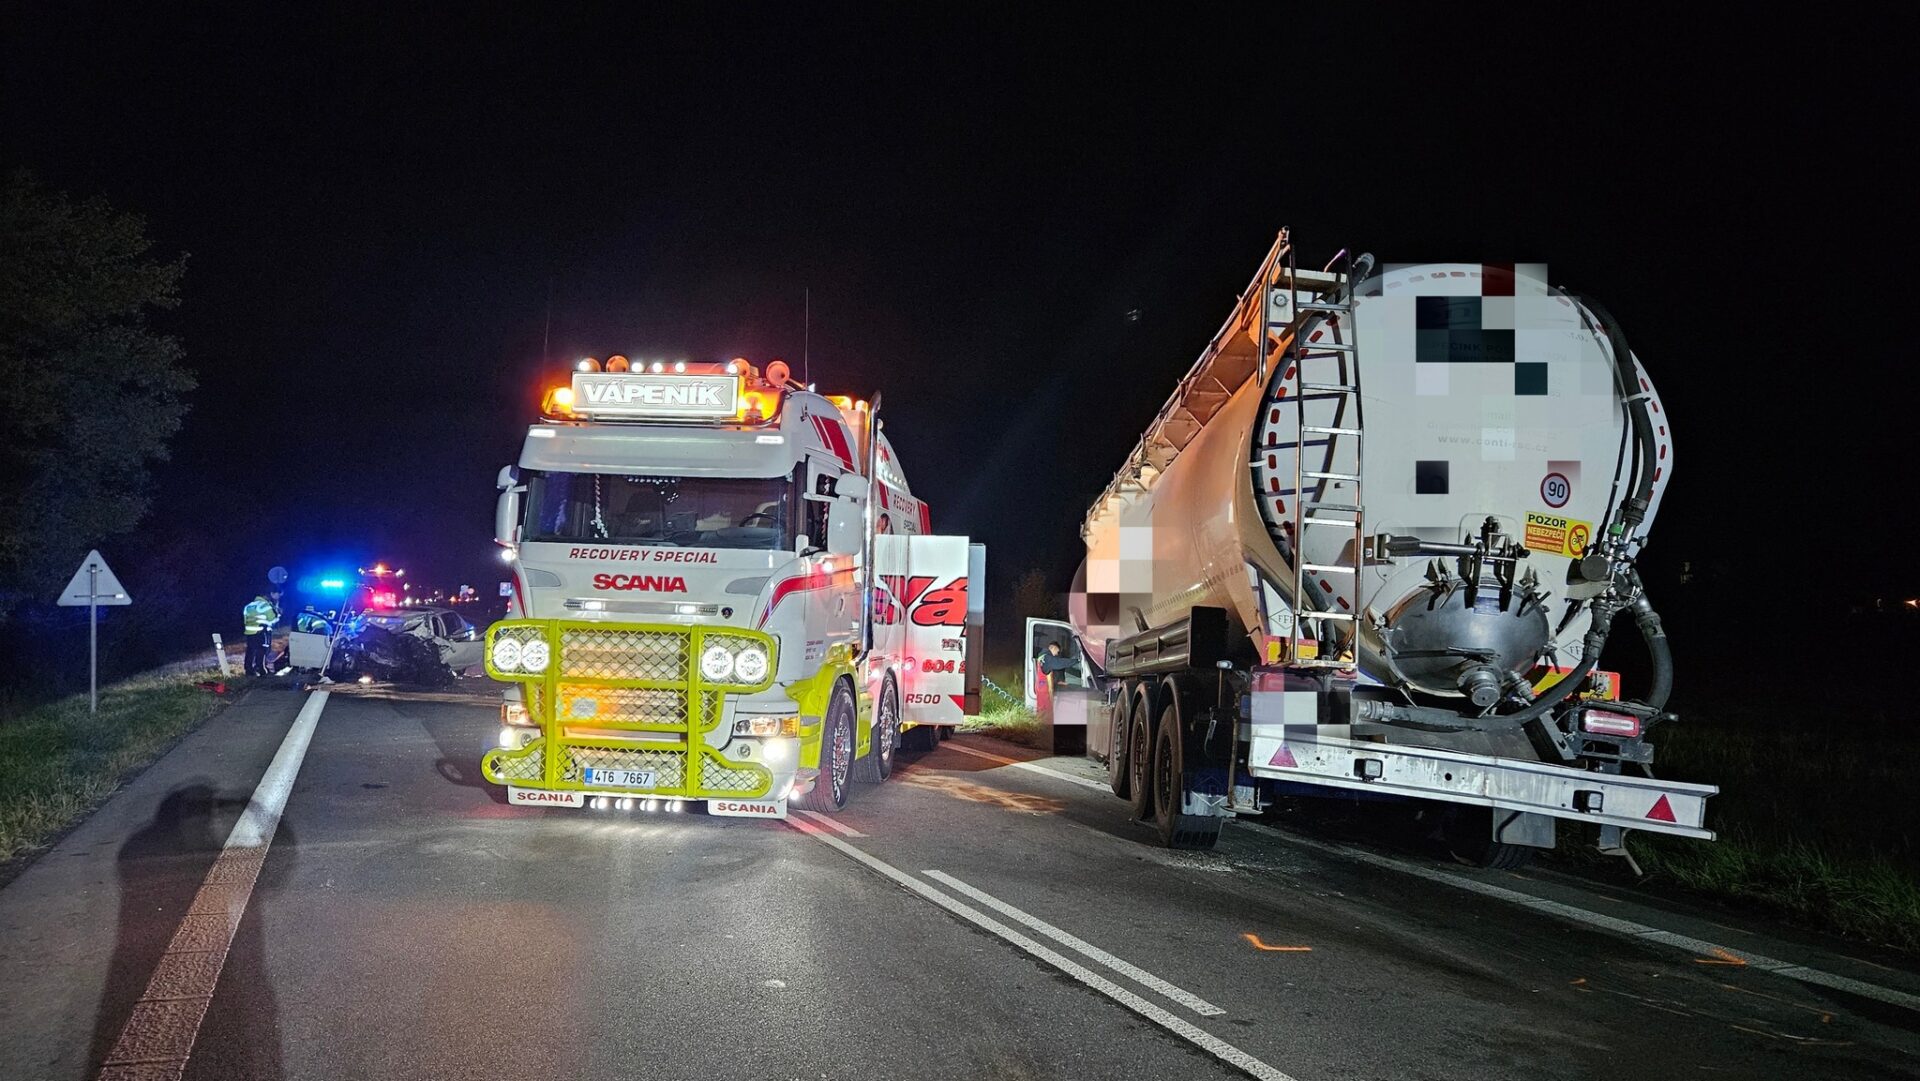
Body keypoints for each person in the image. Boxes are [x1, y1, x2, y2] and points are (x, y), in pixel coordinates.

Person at [242, 588, 283, 677]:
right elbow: (273, 618)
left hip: (249, 632)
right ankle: (261, 670)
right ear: (265, 596)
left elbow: (245, 620)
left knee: (250, 651)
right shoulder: (265, 605)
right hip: (261, 631)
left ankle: (249, 671)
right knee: (262, 651)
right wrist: (278, 614)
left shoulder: (248, 606)